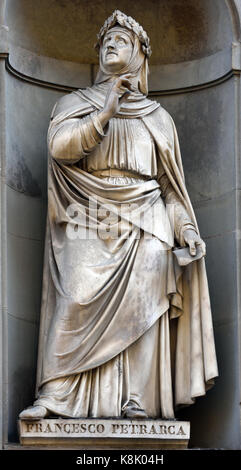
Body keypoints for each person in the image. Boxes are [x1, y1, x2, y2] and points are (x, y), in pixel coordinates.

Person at [20, 10, 218, 421]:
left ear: (140, 55)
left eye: (122, 40)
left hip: (148, 220)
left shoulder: (158, 118)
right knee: (74, 297)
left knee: (147, 307)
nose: (112, 44)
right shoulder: (74, 103)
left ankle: (138, 400)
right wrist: (105, 112)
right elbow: (60, 148)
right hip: (87, 213)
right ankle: (57, 394)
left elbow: (170, 189)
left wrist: (186, 229)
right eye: (107, 40)